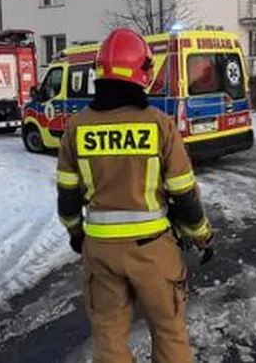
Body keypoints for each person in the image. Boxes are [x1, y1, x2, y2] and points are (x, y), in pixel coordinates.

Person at [55, 28, 215, 363]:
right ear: (143, 72)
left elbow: (67, 195)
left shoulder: (76, 127)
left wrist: (75, 234)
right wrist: (201, 236)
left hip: (99, 251)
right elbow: (184, 195)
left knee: (109, 336)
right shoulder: (159, 125)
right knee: (169, 331)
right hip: (152, 250)